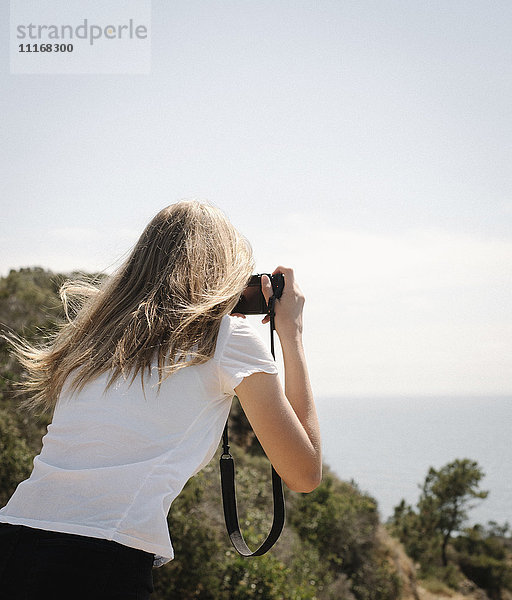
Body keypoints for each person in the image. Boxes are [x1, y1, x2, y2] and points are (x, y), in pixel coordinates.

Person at [0, 201, 321, 599]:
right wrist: (292, 333)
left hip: (14, 537)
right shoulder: (227, 340)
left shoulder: (96, 335)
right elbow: (304, 473)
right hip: (97, 558)